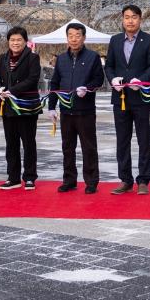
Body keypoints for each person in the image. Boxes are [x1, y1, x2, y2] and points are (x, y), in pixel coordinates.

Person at [104, 5, 150, 195]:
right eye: (126, 17)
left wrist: (141, 80)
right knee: (122, 140)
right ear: (122, 19)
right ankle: (125, 179)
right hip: (120, 98)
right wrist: (113, 79)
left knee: (144, 139)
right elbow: (109, 66)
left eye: (134, 17)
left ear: (140, 19)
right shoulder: (115, 40)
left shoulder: (149, 40)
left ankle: (143, 180)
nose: (130, 21)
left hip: (140, 97)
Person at [47, 22, 105, 195]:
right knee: (67, 147)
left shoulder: (93, 57)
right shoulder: (61, 59)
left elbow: (99, 80)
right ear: (67, 38)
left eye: (77, 36)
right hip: (66, 111)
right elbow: (55, 83)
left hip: (85, 111)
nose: (74, 39)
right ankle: (69, 180)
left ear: (84, 38)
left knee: (89, 147)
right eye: (70, 36)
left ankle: (91, 181)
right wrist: (51, 107)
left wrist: (87, 88)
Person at [0, 27, 42, 190]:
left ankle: (29, 177)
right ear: (8, 41)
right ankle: (13, 177)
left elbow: (32, 79)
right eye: (12, 40)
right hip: (8, 107)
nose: (15, 43)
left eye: (19, 40)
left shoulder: (33, 58)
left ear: (25, 41)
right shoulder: (3, 58)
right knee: (11, 143)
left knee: (28, 143)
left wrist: (12, 90)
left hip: (26, 107)